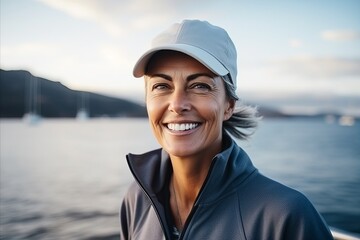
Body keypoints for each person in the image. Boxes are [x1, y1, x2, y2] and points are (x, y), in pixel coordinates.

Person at [120, 19, 333, 240]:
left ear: (228, 106)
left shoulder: (286, 216)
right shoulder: (136, 199)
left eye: (200, 85)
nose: (177, 104)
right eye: (161, 86)